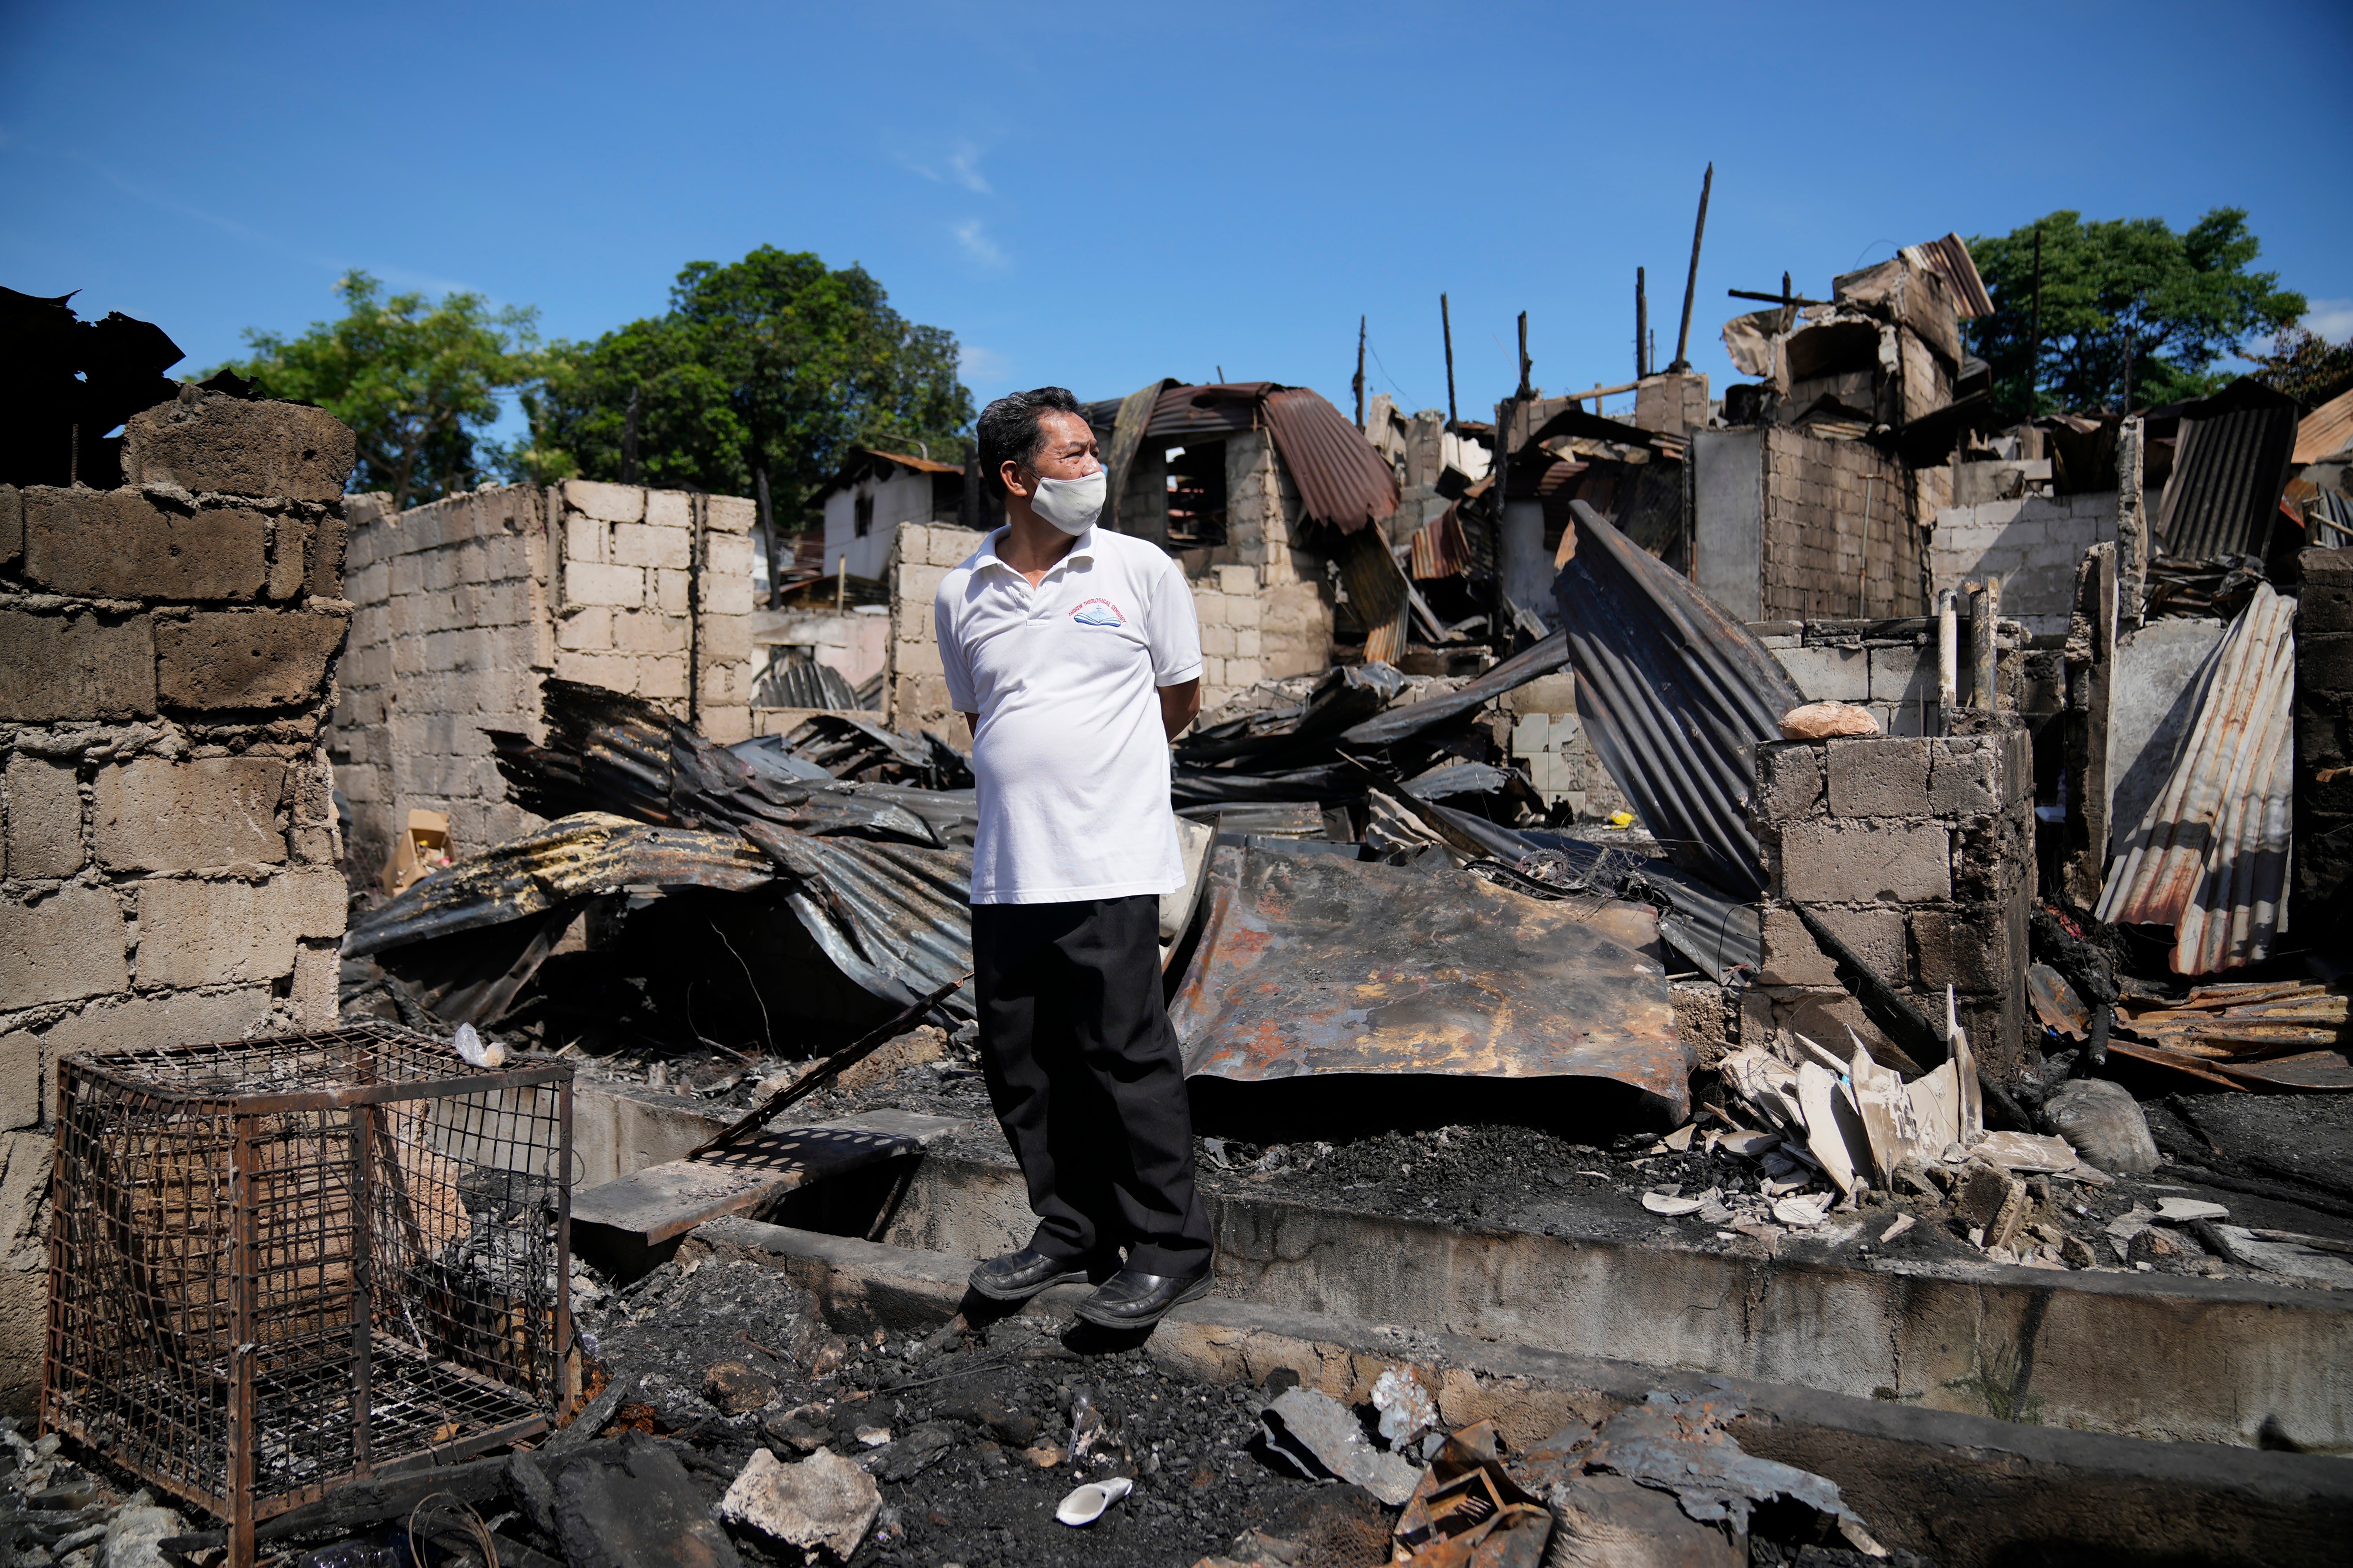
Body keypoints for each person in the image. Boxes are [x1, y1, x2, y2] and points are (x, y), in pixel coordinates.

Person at [934, 386, 1215, 1328]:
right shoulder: (960, 591)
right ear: (1014, 476)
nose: (1093, 470)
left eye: (1094, 452)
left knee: (1125, 1054)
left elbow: (1179, 700)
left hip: (1107, 860)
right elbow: (986, 721)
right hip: (1010, 868)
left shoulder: (1140, 571)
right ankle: (1071, 1228)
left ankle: (1169, 1246)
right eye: (1072, 456)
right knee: (1025, 1061)